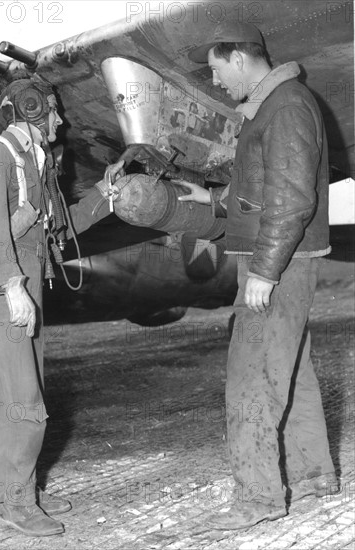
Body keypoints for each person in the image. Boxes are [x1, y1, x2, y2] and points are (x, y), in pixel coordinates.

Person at [177, 21, 338, 529]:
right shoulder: (276, 105)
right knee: (291, 370)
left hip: (280, 262)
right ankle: (313, 476)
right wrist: (216, 198)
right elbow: (263, 186)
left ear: (240, 59)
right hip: (287, 258)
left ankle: (257, 498)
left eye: (218, 69)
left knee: (251, 376)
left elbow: (292, 200)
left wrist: (264, 273)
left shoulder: (286, 105)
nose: (217, 81)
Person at [0, 75, 122, 537]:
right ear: (31, 108)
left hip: (21, 290)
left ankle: (23, 487)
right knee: (20, 402)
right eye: (52, 109)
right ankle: (14, 504)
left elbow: (58, 231)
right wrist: (13, 289)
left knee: (28, 396)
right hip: (0, 293)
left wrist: (105, 196)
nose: (60, 118)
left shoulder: (36, 161)